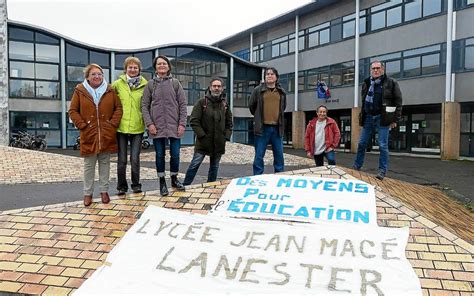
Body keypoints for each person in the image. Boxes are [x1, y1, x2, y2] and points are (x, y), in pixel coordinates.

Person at [69, 64, 123, 206]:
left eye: (99, 74)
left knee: (105, 164)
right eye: (93, 74)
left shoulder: (110, 90)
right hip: (89, 134)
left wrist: (112, 125)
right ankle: (87, 194)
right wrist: (82, 125)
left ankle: (104, 191)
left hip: (106, 134)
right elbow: (73, 111)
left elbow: (118, 108)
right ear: (87, 77)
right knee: (89, 166)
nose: (97, 76)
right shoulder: (80, 91)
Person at [141, 55, 187, 196]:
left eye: (164, 64)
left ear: (168, 66)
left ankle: (174, 179)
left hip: (174, 127)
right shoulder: (150, 85)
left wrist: (182, 124)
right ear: (155, 67)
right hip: (157, 127)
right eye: (159, 64)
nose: (162, 66)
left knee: (176, 154)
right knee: (159, 155)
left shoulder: (175, 83)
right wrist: (150, 124)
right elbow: (144, 105)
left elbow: (182, 105)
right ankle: (162, 182)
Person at [352, 61, 402, 180]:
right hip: (368, 117)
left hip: (383, 117)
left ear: (382, 69)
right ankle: (357, 166)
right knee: (362, 143)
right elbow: (364, 101)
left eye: (378, 68)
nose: (375, 70)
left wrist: (395, 119)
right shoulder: (367, 82)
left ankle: (382, 170)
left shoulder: (391, 83)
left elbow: (398, 102)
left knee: (382, 145)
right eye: (373, 68)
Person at [183, 77, 233, 186]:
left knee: (214, 167)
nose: (216, 88)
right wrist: (202, 135)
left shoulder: (225, 104)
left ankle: (210, 186)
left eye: (219, 86)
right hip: (203, 142)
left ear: (222, 88)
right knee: (195, 164)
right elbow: (194, 121)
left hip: (218, 142)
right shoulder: (202, 103)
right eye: (214, 86)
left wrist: (226, 136)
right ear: (210, 88)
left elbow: (229, 122)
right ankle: (185, 185)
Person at [112, 57, 148, 196]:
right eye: (130, 67)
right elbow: (109, 102)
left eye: (135, 67)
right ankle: (121, 187)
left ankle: (136, 185)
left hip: (137, 127)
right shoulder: (117, 84)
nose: (133, 70)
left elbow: (148, 104)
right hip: (121, 127)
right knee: (121, 160)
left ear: (139, 69)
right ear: (125, 69)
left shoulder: (145, 85)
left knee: (134, 159)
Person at [249, 67, 287, 175]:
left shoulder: (281, 92)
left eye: (272, 74)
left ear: (276, 77)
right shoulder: (258, 90)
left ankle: (279, 175)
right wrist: (258, 117)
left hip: (277, 128)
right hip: (262, 128)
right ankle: (257, 176)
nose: (269, 76)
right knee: (259, 155)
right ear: (265, 77)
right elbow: (252, 106)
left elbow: (283, 108)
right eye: (267, 74)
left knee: (279, 155)